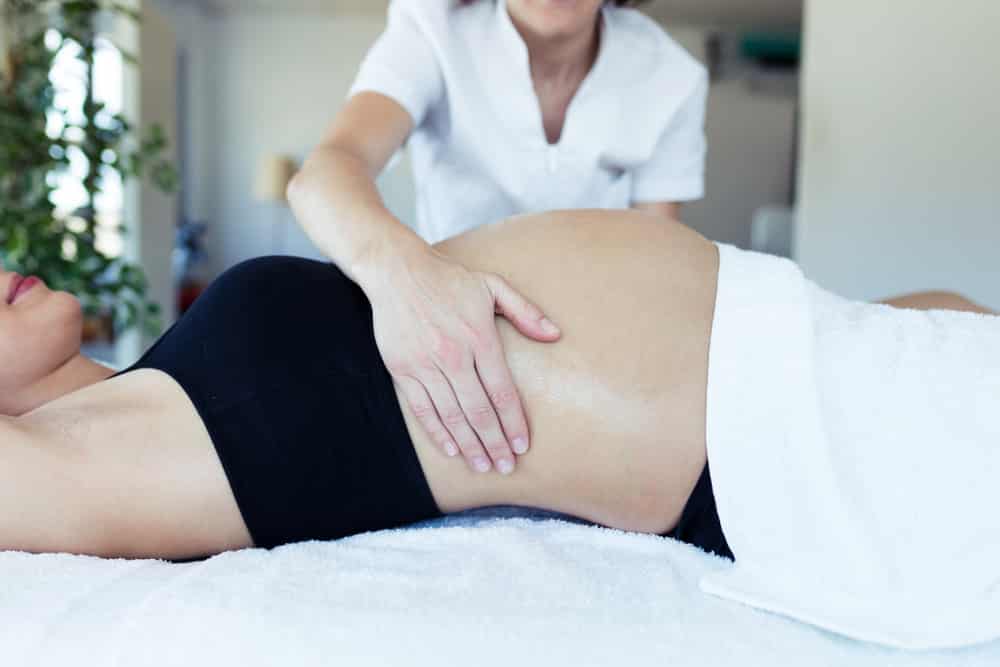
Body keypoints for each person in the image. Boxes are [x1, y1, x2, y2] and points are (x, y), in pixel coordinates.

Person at [0, 208, 994, 562]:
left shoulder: (153, 378)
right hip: (761, 430)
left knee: (948, 305)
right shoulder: (83, 465)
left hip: (785, 332)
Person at [289, 0, 709, 476]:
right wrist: (402, 280)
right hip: (440, 338)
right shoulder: (432, 30)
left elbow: (659, 272)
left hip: (591, 363)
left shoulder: (672, 77)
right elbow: (326, 174)